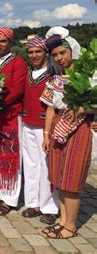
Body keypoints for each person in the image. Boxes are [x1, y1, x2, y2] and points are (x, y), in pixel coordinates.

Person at [40, 27, 94, 239]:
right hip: (58, 128)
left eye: (63, 52)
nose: (59, 58)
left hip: (79, 129)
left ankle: (70, 226)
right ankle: (62, 220)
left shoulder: (88, 76)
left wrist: (83, 109)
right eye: (55, 55)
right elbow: (50, 108)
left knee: (71, 177)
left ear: (72, 50)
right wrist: (46, 134)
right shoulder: (56, 79)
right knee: (59, 176)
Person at [0, 27, 27, 216]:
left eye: (3, 41)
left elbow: (17, 89)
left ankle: (9, 197)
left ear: (10, 43)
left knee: (9, 156)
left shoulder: (18, 63)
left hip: (8, 114)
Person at [20, 37, 59, 224]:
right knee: (30, 165)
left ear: (45, 53)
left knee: (47, 167)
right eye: (30, 52)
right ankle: (33, 203)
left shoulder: (53, 75)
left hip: (45, 127)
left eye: (38, 52)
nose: (34, 55)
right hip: (27, 123)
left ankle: (50, 207)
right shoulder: (28, 73)